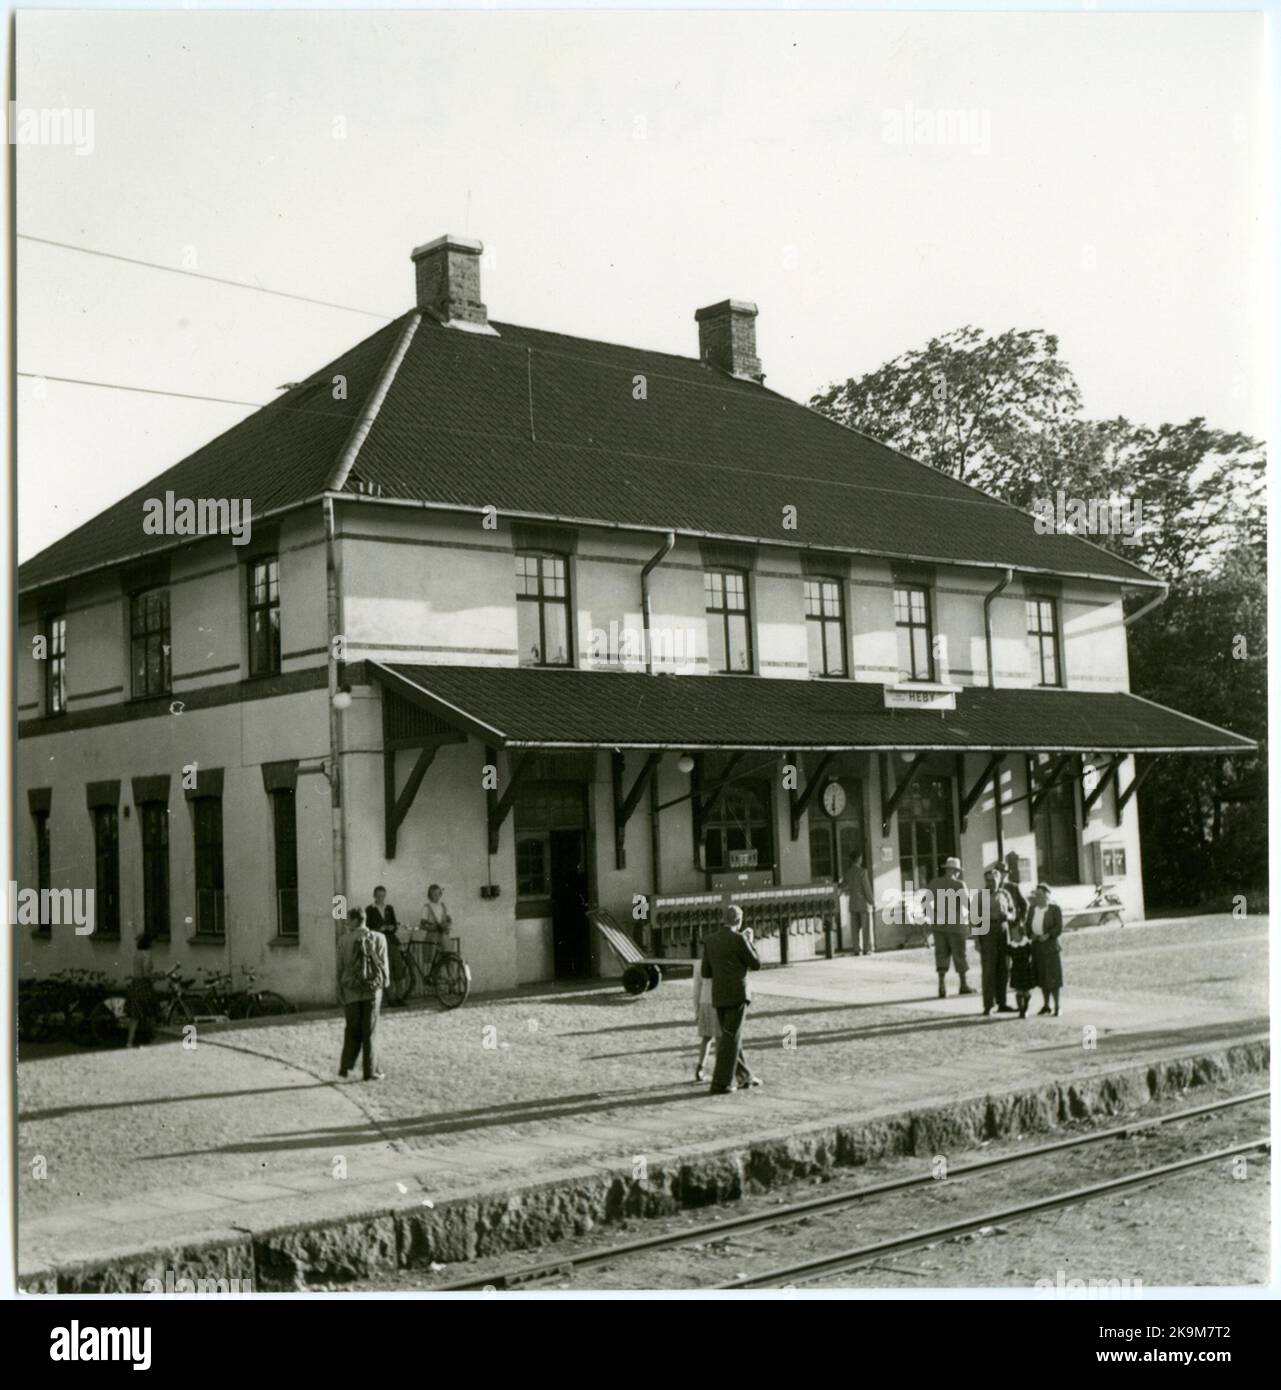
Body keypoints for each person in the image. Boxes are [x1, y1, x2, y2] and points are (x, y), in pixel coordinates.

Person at [700, 904, 763, 1094]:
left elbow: (706, 972)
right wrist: (750, 941)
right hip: (737, 994)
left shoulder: (710, 940)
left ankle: (745, 1077)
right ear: (739, 920)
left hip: (719, 995)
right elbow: (756, 963)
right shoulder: (739, 939)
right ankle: (721, 1082)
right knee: (731, 1039)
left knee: (731, 1037)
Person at [338, 905, 389, 1081]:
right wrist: (384, 984)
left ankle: (345, 1066)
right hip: (371, 990)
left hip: (351, 989)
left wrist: (341, 989)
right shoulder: (379, 938)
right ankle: (371, 1071)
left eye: (348, 920)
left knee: (351, 1028)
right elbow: (384, 967)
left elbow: (340, 968)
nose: (346, 923)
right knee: (370, 1031)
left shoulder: (343, 940)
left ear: (354, 920)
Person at [924, 856, 974, 998]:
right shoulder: (959, 885)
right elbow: (968, 905)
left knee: (941, 955)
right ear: (954, 870)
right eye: (957, 871)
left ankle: (942, 986)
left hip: (939, 926)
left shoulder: (934, 883)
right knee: (960, 955)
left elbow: (925, 904)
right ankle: (963, 984)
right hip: (957, 926)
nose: (958, 873)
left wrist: (931, 919)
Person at [976, 865, 1018, 1016]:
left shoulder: (1005, 894)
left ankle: (1002, 1002)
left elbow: (1013, 913)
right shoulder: (980, 896)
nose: (991, 883)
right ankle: (988, 1004)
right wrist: (977, 941)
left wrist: (1009, 916)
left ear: (999, 880)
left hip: (1003, 931)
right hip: (987, 932)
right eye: (988, 881)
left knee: (1004, 968)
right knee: (989, 970)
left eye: (994, 880)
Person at [1026, 882, 1064, 1016]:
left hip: (1050, 947)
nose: (1037, 898)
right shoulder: (1032, 909)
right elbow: (1027, 927)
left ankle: (1057, 1006)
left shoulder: (1054, 909)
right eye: (1036, 895)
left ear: (1047, 895)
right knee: (1042, 976)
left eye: (1040, 895)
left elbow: (1059, 927)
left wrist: (1048, 935)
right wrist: (1032, 935)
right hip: (1037, 947)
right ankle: (1046, 1005)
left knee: (1053, 977)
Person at [366, 885, 405, 1004]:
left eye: (382, 896)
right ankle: (391, 998)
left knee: (397, 967)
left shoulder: (389, 908)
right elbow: (368, 927)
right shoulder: (370, 909)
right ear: (374, 896)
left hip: (391, 940)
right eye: (378, 896)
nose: (380, 898)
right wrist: (379, 929)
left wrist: (392, 927)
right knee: (386, 969)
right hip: (379, 942)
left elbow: (394, 925)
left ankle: (400, 997)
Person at [843, 848, 876, 956]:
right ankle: (866, 949)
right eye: (861, 857)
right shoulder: (862, 872)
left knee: (854, 929)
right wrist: (872, 901)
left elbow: (843, 886)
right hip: (862, 904)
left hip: (853, 904)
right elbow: (866, 889)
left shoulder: (848, 873)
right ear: (858, 859)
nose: (861, 859)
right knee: (865, 928)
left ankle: (856, 949)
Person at [125, 932, 155, 1048]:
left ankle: (129, 1041)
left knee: (135, 1016)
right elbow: (146, 973)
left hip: (135, 984)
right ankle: (152, 1040)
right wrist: (156, 976)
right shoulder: (147, 954)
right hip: (144, 985)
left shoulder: (137, 954)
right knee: (149, 1012)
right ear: (149, 943)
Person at [1005, 917, 1037, 1018]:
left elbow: (1033, 956)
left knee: (1026, 991)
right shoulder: (1011, 946)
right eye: (1012, 934)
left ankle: (1026, 1007)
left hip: (1026, 969)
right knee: (1018, 991)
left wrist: (1033, 966)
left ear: (1021, 933)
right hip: (1016, 970)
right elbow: (1007, 957)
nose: (1013, 935)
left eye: (1015, 933)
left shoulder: (1027, 944)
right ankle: (1021, 1010)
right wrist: (1008, 968)